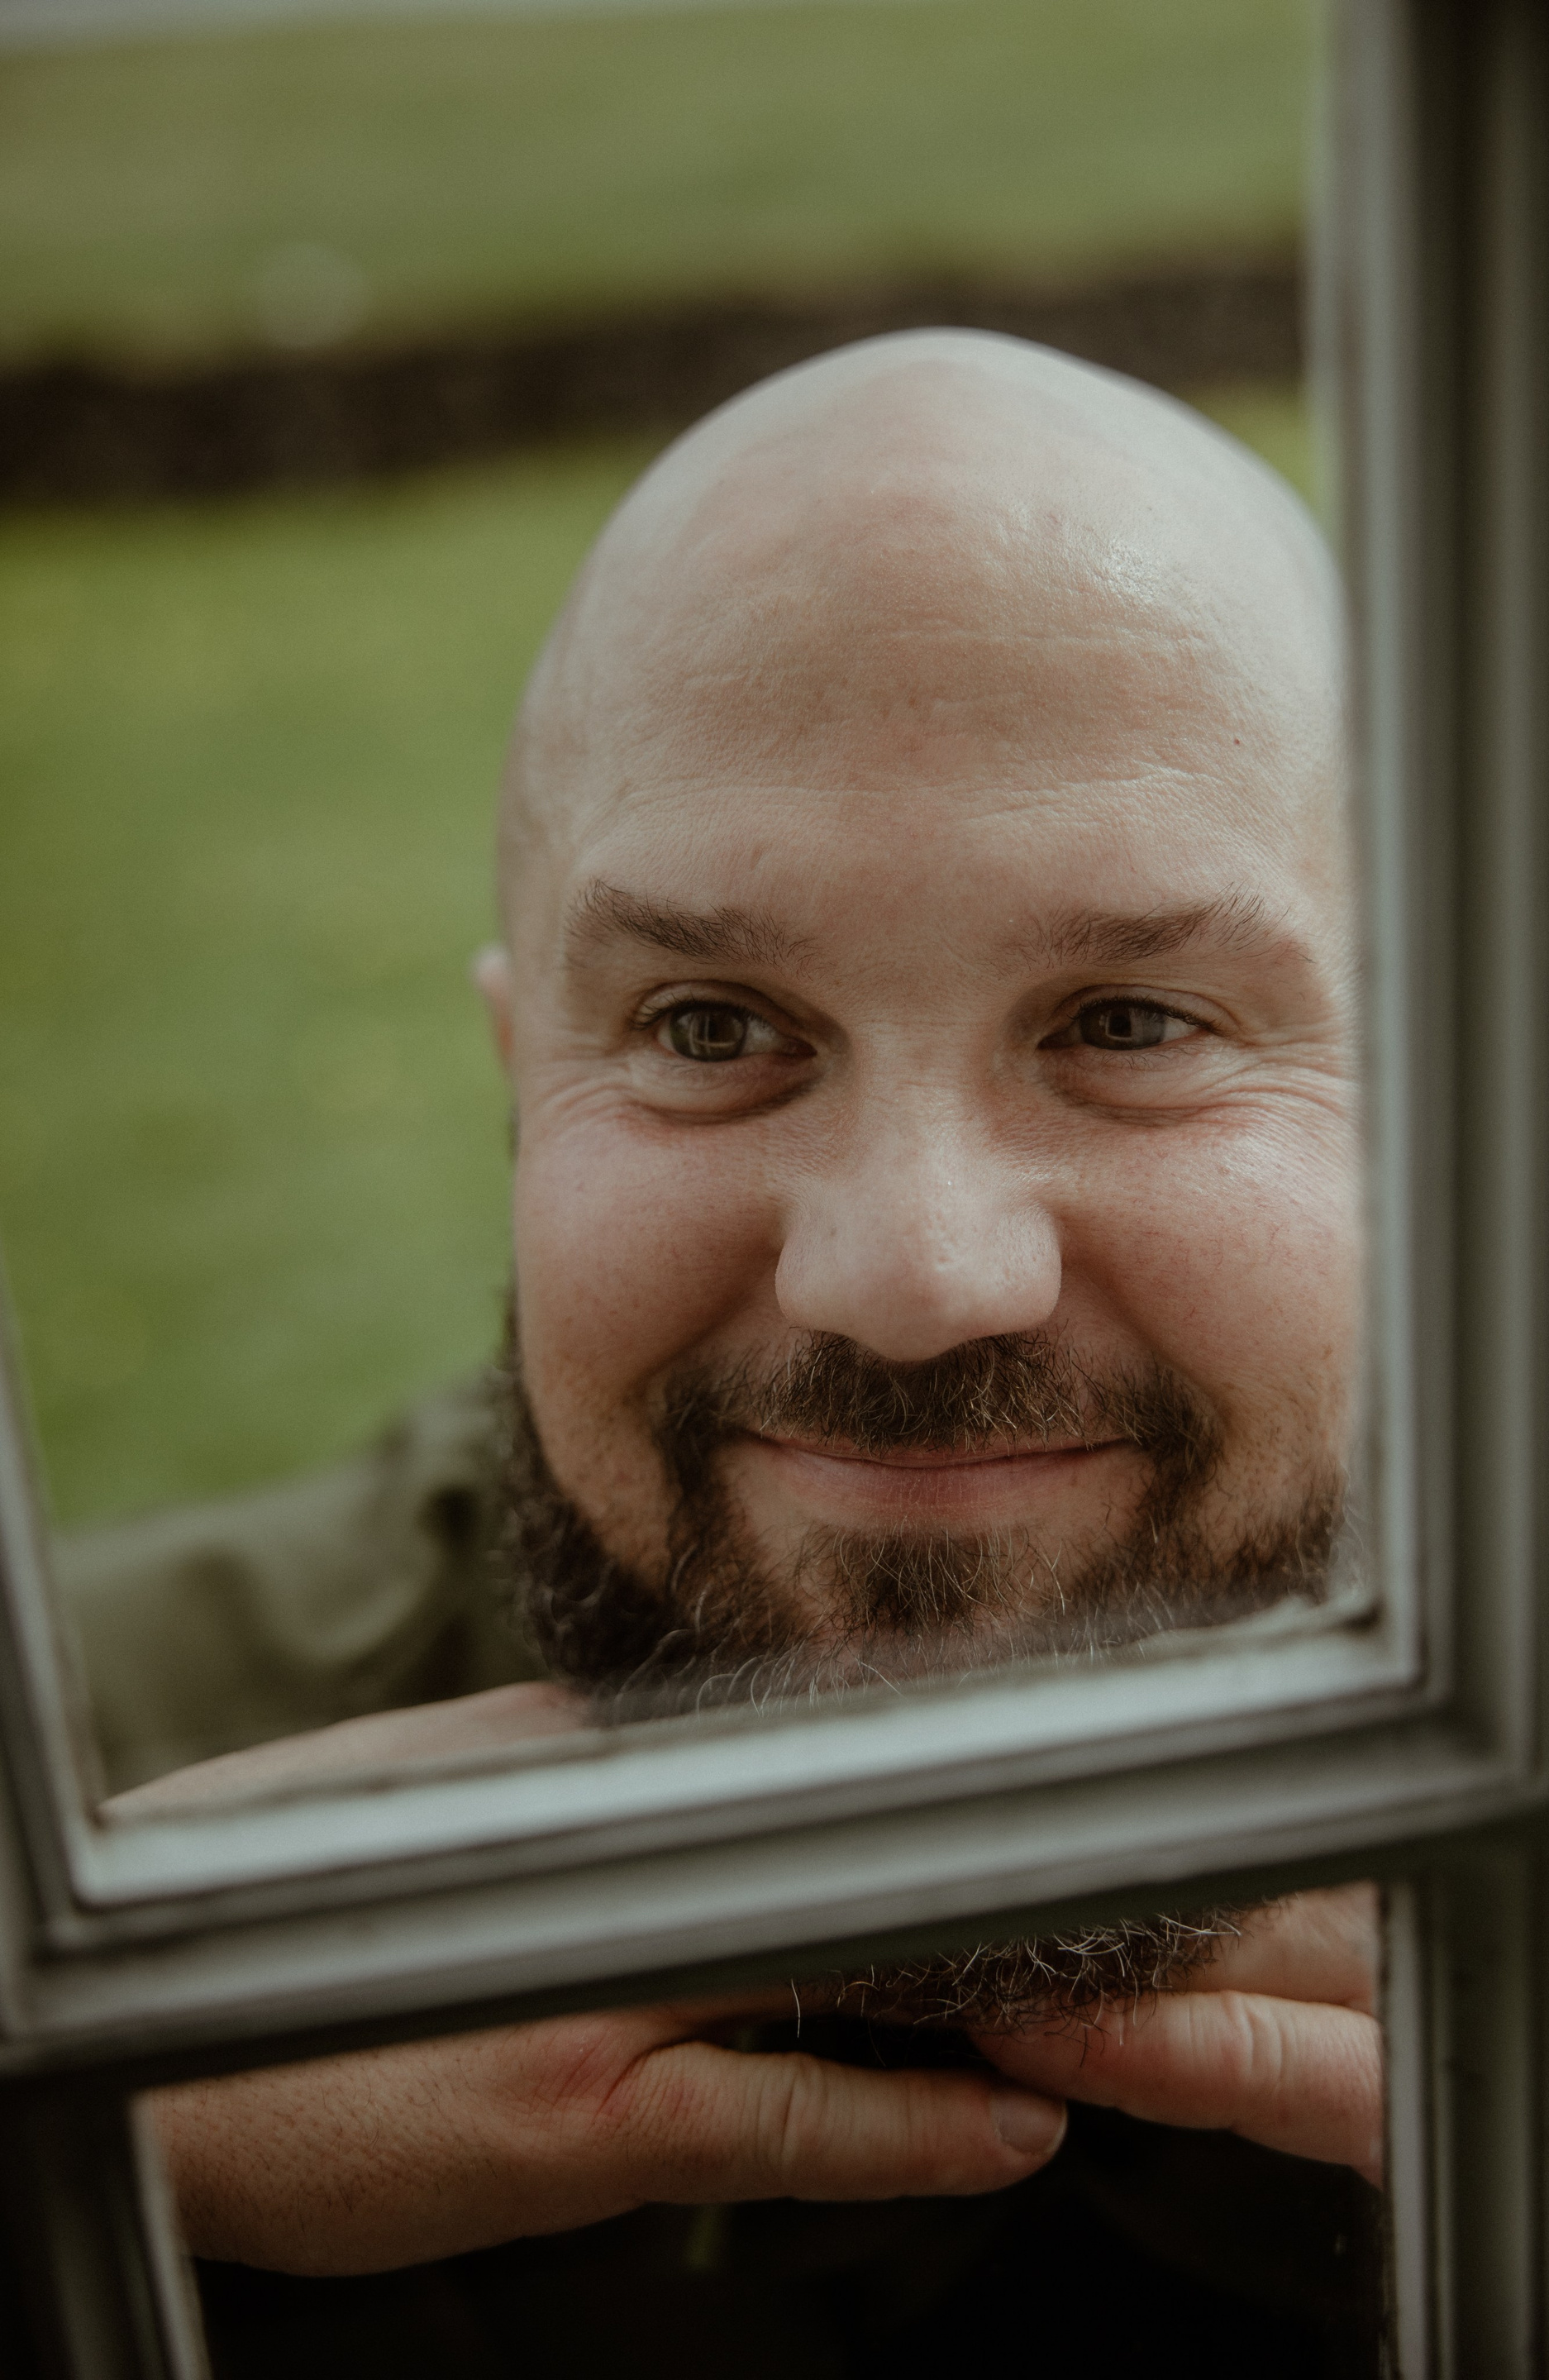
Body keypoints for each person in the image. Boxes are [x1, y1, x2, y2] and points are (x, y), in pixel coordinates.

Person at [63, 331, 1383, 2372]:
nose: (913, 1275)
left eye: (1131, 1024)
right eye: (710, 1027)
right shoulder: (79, 1788)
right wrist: (79, 2141)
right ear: (524, 1080)